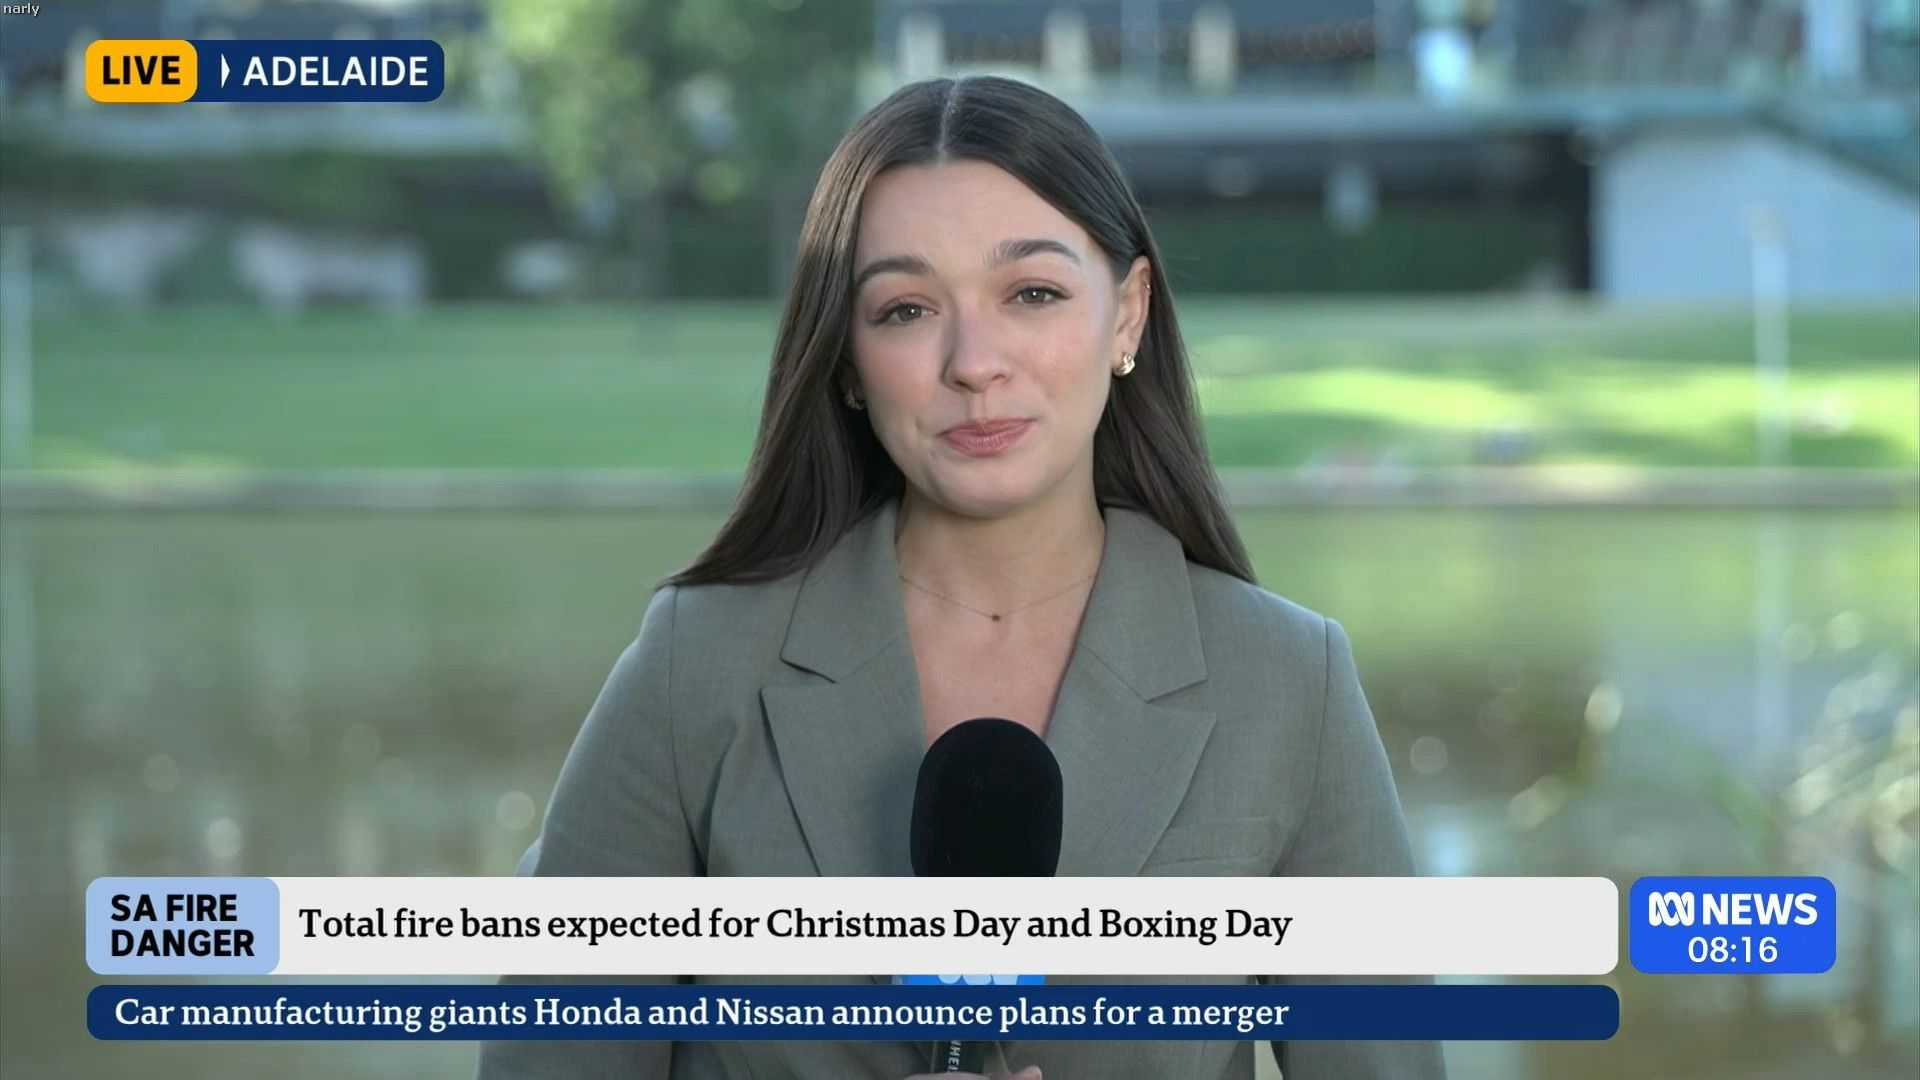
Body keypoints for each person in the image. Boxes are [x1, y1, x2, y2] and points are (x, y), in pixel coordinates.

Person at [477, 75, 1443, 1080]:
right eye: (905, 309)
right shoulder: (700, 663)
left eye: (1032, 293)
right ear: (846, 360)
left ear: (1127, 316)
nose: (974, 363)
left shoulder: (1287, 680)